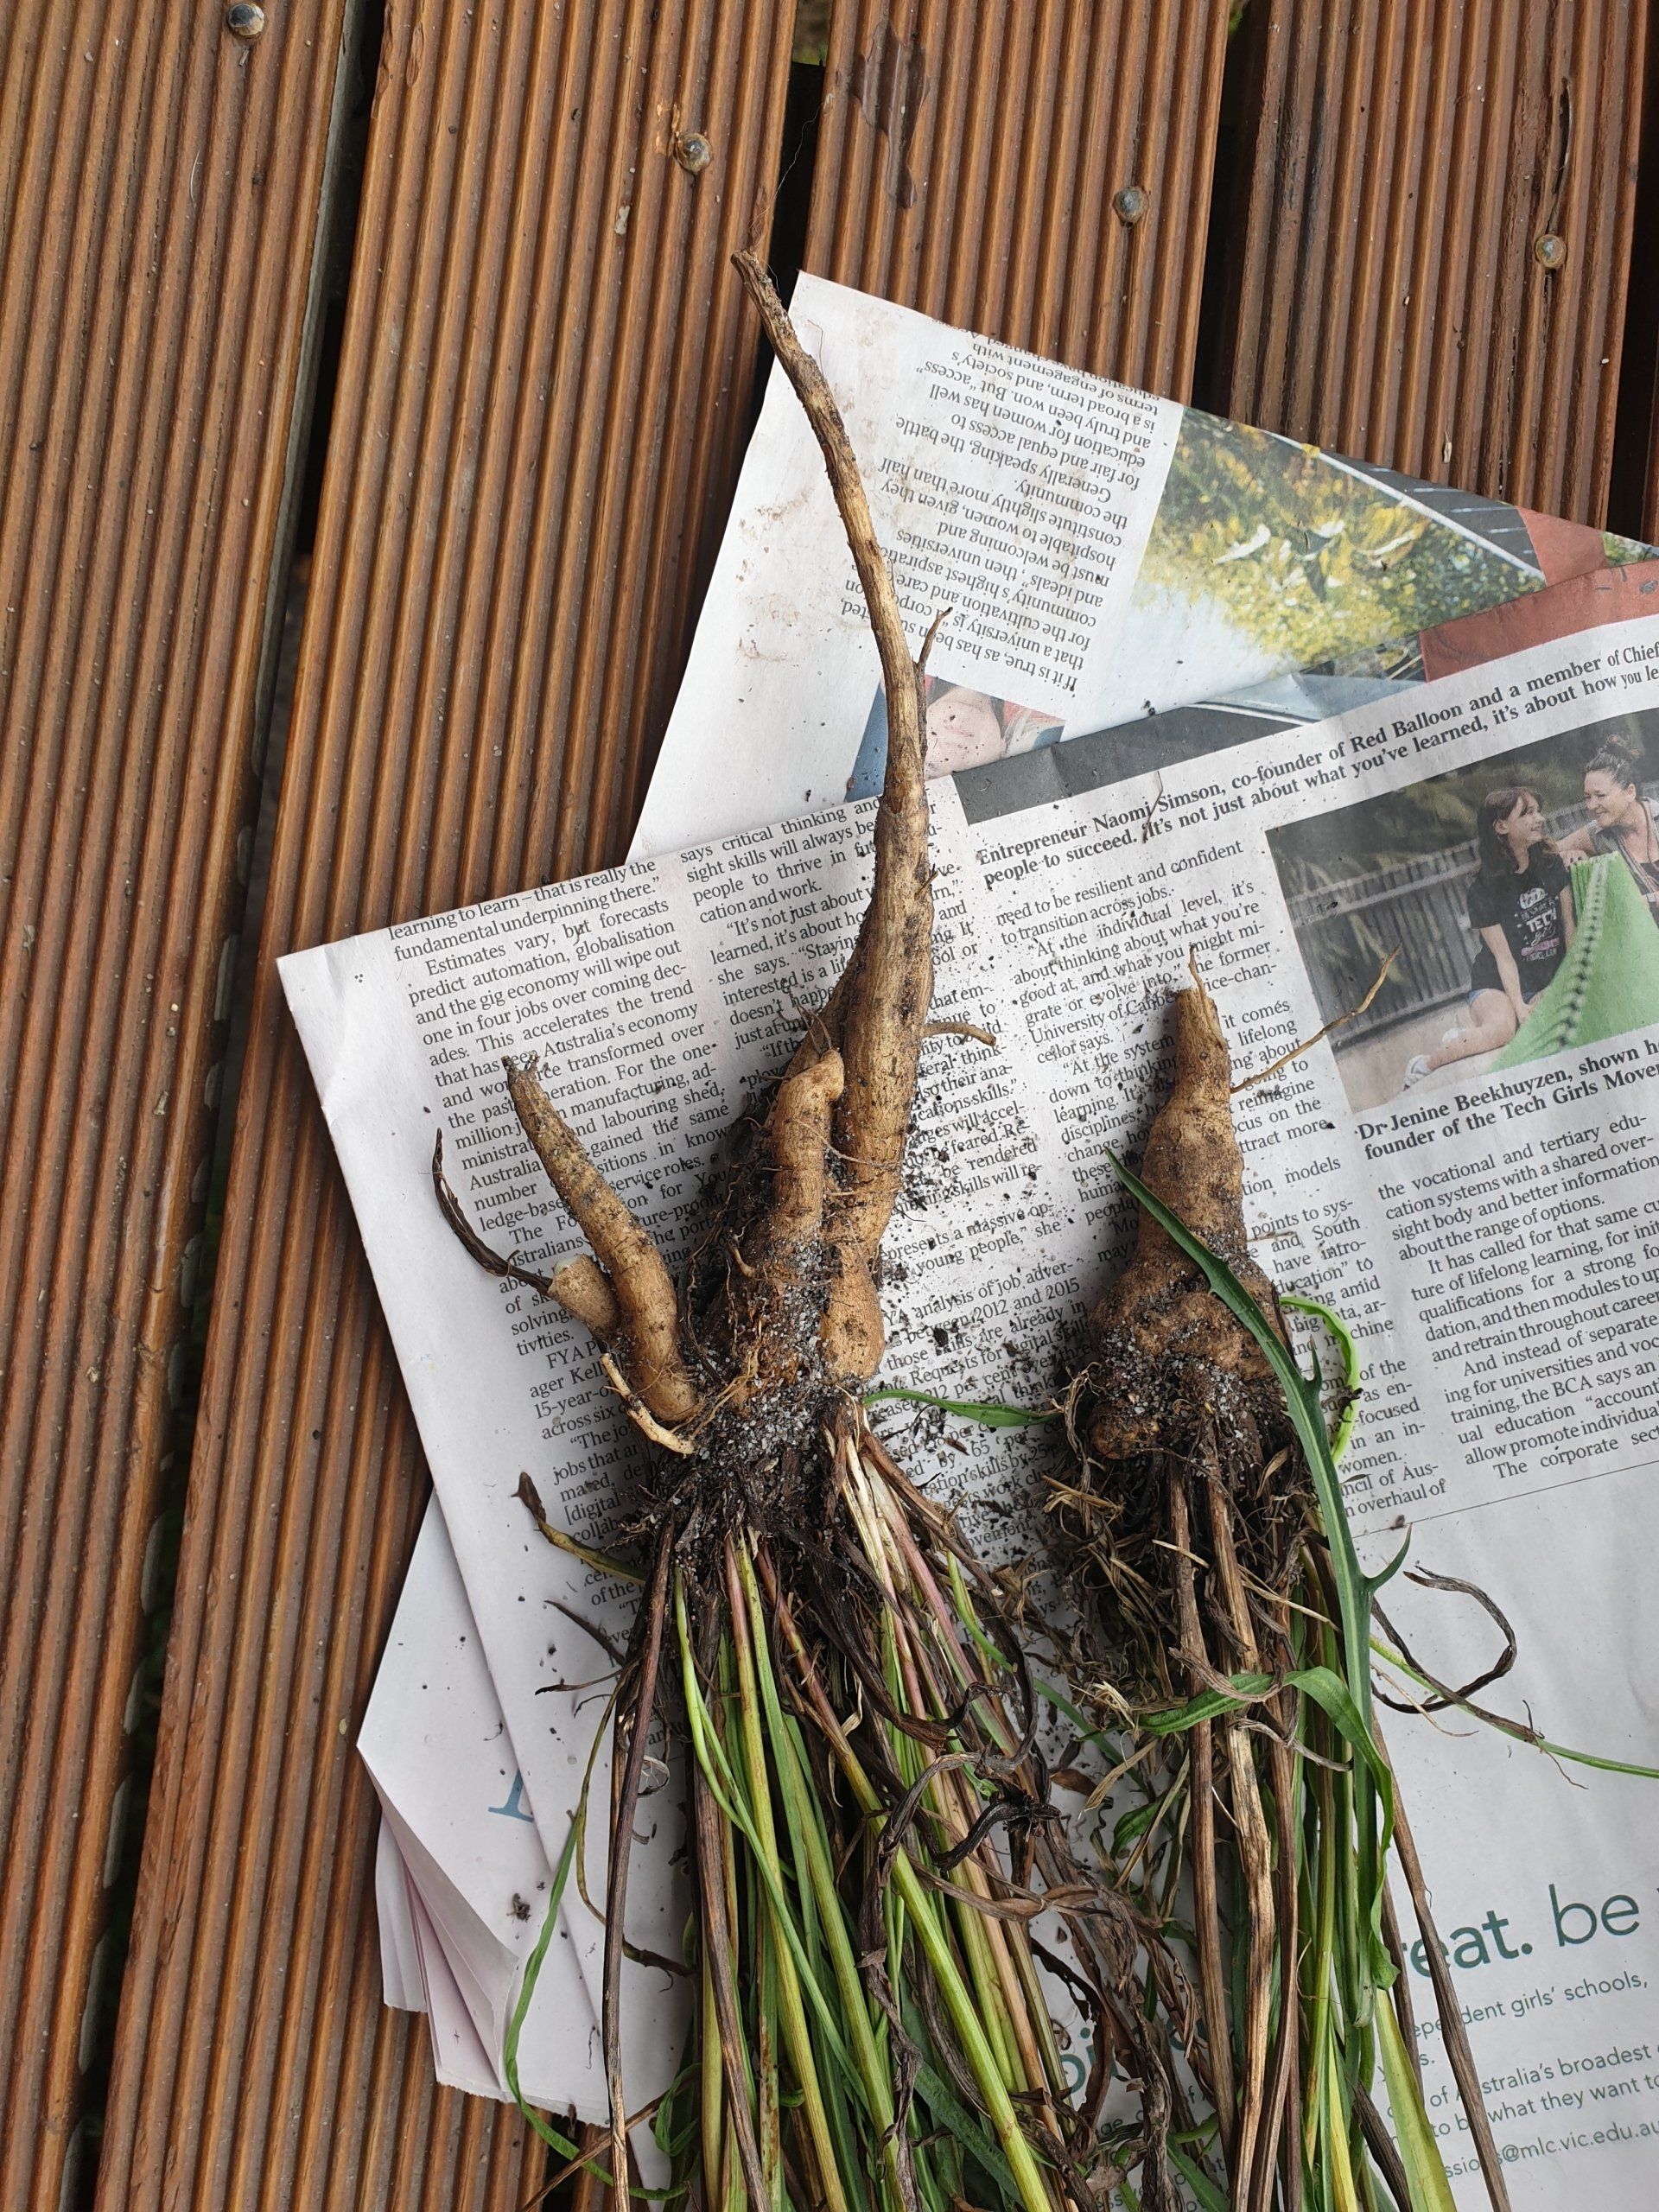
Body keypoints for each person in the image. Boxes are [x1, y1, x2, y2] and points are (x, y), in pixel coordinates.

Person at [1403, 786, 1573, 1086]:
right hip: (1496, 982)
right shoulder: (1483, 890)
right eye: (1528, 813)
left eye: (1538, 810)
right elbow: (1503, 958)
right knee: (1501, 1030)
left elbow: (1568, 925)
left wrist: (1569, 977)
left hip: (1546, 978)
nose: (1540, 819)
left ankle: (1465, 1037)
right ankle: (1423, 1066)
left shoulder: (1550, 862)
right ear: (1501, 826)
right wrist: (1519, 1006)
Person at [1558, 736, 1659, 925]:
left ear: (1630, 792)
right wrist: (1567, 853)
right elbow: (1545, 852)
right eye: (1587, 797)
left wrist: (1650, 901)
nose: (1591, 805)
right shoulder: (1597, 834)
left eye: (1600, 795)